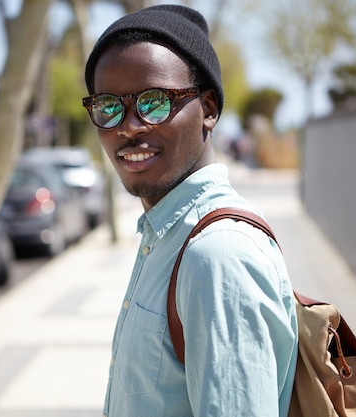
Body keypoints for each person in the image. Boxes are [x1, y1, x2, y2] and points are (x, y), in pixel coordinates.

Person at [82, 4, 298, 416]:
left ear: (210, 109)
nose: (129, 126)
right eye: (108, 107)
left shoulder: (216, 256)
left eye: (155, 102)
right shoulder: (166, 233)